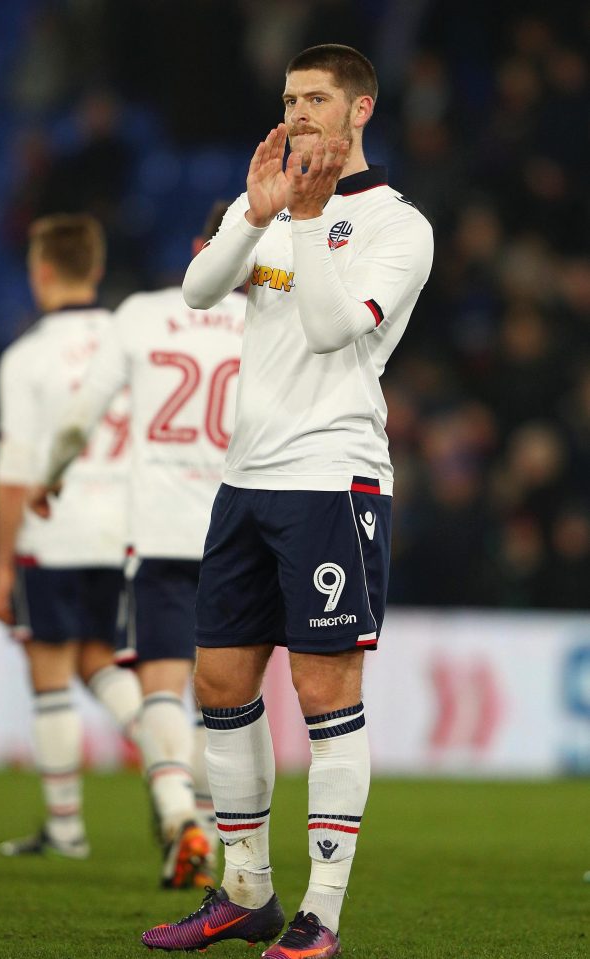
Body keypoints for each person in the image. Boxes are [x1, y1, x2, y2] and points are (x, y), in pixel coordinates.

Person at [140, 44, 434, 958]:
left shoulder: (398, 226)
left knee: (322, 689)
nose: (300, 112)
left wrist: (303, 221)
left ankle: (322, 914)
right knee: (221, 682)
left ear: (361, 112)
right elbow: (195, 291)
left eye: (317, 98)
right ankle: (246, 890)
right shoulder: (266, 201)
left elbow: (330, 326)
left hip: (331, 480)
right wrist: (255, 215)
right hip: (247, 478)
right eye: (290, 98)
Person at [28, 202, 246, 887]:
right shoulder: (273, 324)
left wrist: (51, 477)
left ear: (197, 246)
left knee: (160, 688)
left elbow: (78, 418)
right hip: (245, 531)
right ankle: (208, 832)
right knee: (227, 701)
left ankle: (178, 813)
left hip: (163, 532)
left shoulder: (141, 314)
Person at [0, 214, 144, 859]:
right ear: (98, 268)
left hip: (54, 531)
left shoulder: (26, 356)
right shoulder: (129, 337)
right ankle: (179, 763)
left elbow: (12, 470)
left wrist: (0, 565)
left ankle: (67, 827)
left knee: (51, 670)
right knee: (102, 658)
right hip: (129, 529)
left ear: (41, 271)